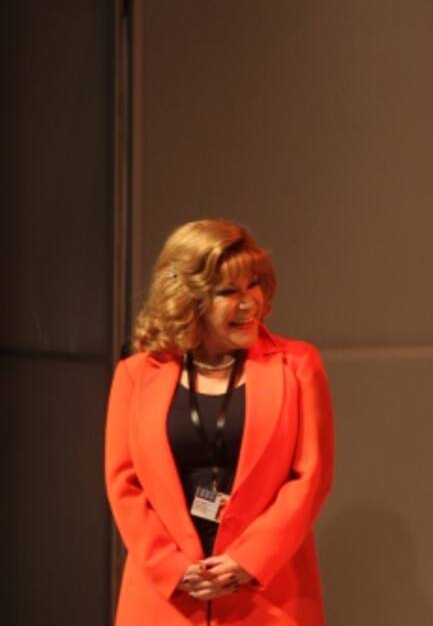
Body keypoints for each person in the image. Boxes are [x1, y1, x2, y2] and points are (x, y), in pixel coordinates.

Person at [105, 220, 334, 625]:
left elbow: (310, 476)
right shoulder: (137, 373)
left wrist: (249, 559)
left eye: (253, 285)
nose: (248, 304)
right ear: (189, 299)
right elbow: (124, 483)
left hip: (267, 594)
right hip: (166, 598)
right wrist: (171, 567)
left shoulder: (297, 365)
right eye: (228, 292)